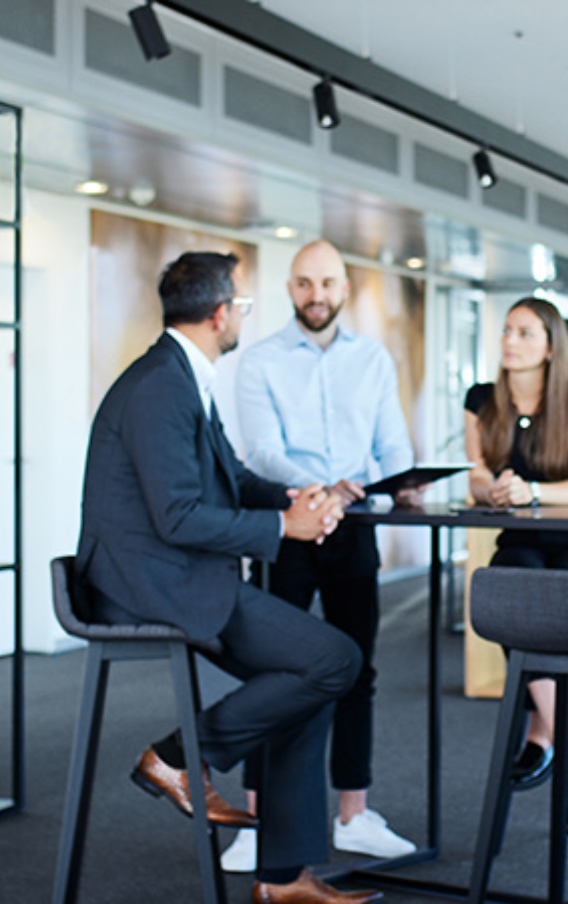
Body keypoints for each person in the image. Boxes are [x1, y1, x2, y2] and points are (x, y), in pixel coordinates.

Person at [75, 250, 382, 904]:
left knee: (308, 674)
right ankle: (177, 756)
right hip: (151, 583)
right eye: (241, 304)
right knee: (333, 658)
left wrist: (296, 499)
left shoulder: (182, 374)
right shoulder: (161, 386)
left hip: (175, 571)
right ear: (220, 315)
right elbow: (179, 515)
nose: (243, 314)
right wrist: (283, 531)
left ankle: (283, 879)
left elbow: (232, 478)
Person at [224, 239, 420, 871]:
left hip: (355, 526)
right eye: (305, 284)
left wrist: (405, 480)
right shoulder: (260, 360)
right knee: (272, 674)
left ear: (344, 288)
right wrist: (324, 489)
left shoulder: (373, 360)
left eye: (328, 283)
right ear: (289, 289)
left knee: (358, 672)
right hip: (287, 526)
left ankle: (354, 815)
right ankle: (256, 822)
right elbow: (263, 452)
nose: (317, 296)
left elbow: (391, 444)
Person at [463, 296, 568, 790]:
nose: (510, 341)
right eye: (507, 331)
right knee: (508, 593)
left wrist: (530, 490)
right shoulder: (480, 399)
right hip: (523, 538)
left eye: (525, 332)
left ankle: (544, 735)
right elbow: (475, 476)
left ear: (552, 347)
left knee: (558, 610)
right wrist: (490, 489)